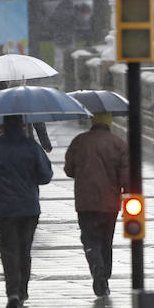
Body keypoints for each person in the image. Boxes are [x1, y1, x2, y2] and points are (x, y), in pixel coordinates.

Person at [0, 114, 53, 308]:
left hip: (5, 209)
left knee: (9, 250)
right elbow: (46, 176)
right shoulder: (32, 147)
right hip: (29, 207)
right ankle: (23, 289)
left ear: (2, 127)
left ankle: (13, 292)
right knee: (24, 249)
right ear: (23, 124)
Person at [64, 112, 129, 297]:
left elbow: (69, 170)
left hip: (85, 202)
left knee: (89, 239)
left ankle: (96, 266)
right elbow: (126, 177)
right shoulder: (118, 144)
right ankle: (104, 277)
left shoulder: (79, 141)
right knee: (106, 240)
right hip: (110, 203)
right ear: (109, 122)